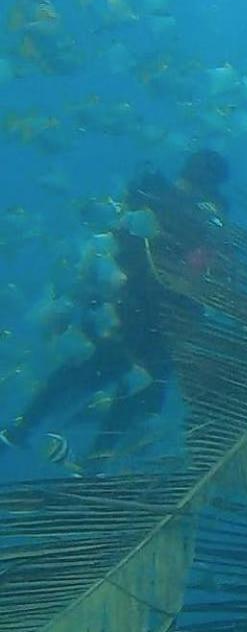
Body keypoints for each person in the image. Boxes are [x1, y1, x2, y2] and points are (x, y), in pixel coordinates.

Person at [1, 149, 229, 468]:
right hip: (158, 324)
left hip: (118, 310)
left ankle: (19, 429)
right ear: (213, 184)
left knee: (77, 373)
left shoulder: (149, 194)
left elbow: (110, 246)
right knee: (134, 392)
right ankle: (95, 460)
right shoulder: (204, 217)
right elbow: (197, 275)